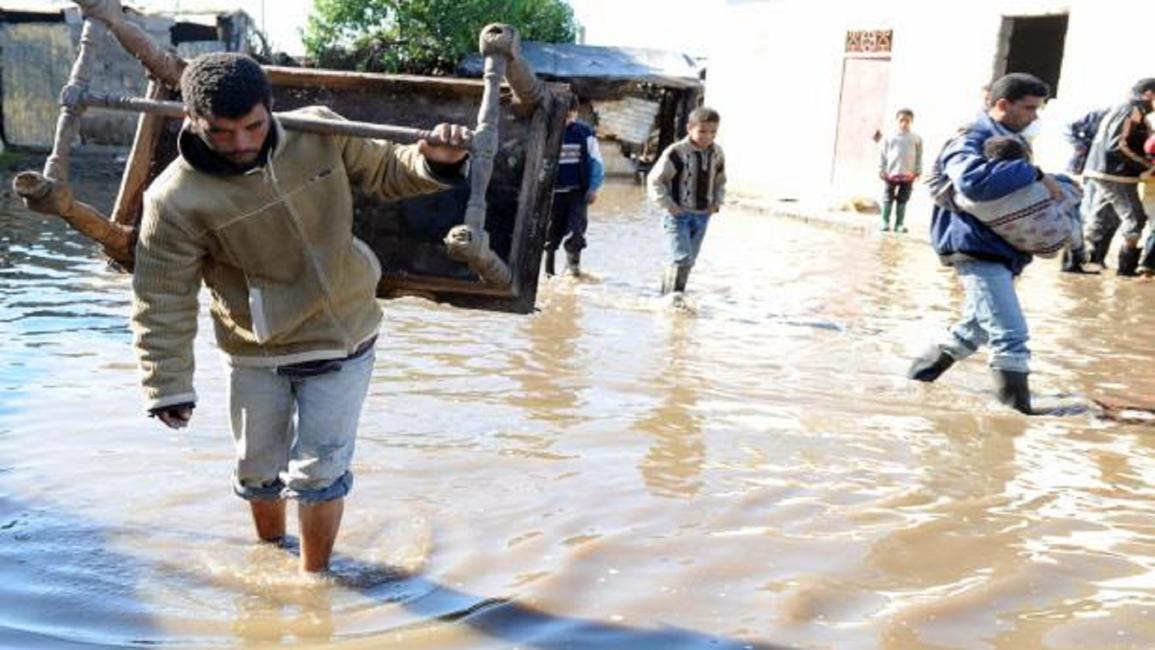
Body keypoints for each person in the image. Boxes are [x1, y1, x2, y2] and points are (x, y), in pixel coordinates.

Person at [130, 53, 471, 573]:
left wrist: (436, 160)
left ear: (270, 109)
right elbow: (162, 297)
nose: (242, 143)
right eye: (221, 132)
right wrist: (167, 384)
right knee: (258, 471)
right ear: (190, 121)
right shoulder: (173, 199)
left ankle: (317, 584)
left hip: (346, 332)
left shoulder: (319, 131)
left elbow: (387, 172)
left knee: (320, 474)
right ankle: (270, 559)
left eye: (252, 126)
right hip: (255, 349)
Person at [909, 73, 1065, 414]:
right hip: (975, 247)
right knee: (1011, 334)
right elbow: (974, 182)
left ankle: (914, 384)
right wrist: (1036, 174)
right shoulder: (972, 136)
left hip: (1000, 248)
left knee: (971, 330)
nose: (1035, 117)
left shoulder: (1008, 135)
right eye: (1029, 108)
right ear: (1002, 105)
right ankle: (1015, 420)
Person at [953, 136, 1083, 258]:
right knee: (1065, 189)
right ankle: (1078, 249)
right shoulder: (1036, 188)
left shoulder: (967, 200)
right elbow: (1073, 194)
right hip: (1057, 241)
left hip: (1026, 246)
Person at [647, 106, 727, 296]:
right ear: (689, 128)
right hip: (678, 215)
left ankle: (667, 296)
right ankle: (674, 300)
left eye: (713, 132)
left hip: (702, 215)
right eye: (702, 131)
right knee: (681, 258)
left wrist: (717, 201)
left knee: (688, 261)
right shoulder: (677, 152)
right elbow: (655, 180)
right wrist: (670, 206)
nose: (707, 136)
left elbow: (720, 180)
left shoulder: (717, 153)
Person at [1080, 78, 1155, 276]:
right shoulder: (1132, 110)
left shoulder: (1134, 111)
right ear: (1148, 94)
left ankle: (1086, 262)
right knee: (1135, 218)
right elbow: (1117, 145)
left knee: (1105, 218)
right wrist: (1146, 165)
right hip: (1115, 173)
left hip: (1109, 171)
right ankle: (1126, 270)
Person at [544, 94, 604, 277]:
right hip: (551, 193)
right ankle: (549, 272)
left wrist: (593, 187)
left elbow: (596, 162)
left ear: (575, 114)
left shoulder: (584, 133)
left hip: (576, 192)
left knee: (576, 231)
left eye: (569, 116)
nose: (566, 120)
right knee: (550, 233)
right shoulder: (545, 131)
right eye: (563, 116)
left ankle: (573, 271)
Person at [877, 108, 923, 232]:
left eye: (907, 120)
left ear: (911, 121)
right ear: (897, 121)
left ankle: (899, 224)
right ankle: (885, 221)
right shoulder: (889, 137)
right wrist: (881, 169)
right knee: (888, 197)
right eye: (901, 120)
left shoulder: (916, 138)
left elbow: (919, 156)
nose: (904, 123)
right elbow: (883, 154)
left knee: (903, 198)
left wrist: (918, 171)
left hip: (908, 174)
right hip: (891, 173)